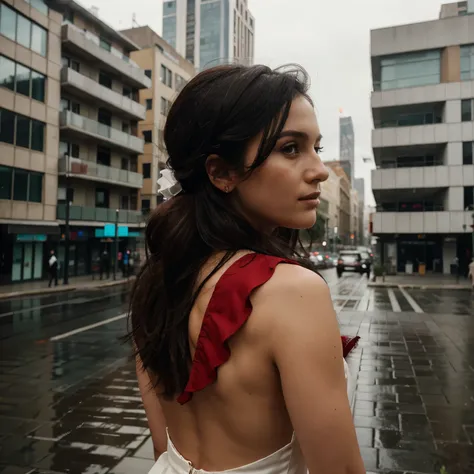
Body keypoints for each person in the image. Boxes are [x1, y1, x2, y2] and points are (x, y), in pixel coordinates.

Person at [128, 64, 365, 474]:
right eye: (291, 149)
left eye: (317, 148)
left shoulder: (158, 281)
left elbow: (163, 446)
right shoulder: (291, 290)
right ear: (221, 172)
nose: (319, 170)